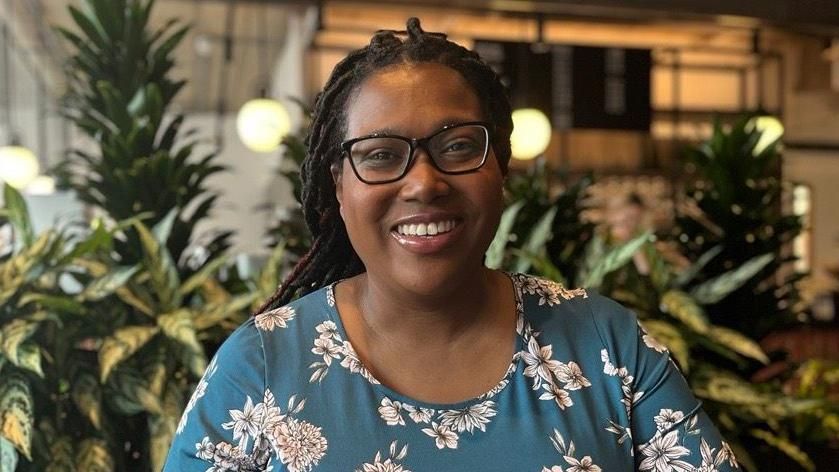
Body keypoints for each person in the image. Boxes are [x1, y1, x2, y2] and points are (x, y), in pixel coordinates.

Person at [164, 18, 740, 472]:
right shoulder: (262, 367)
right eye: (381, 155)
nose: (423, 182)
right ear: (338, 184)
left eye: (459, 146)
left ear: (501, 166)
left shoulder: (605, 347)